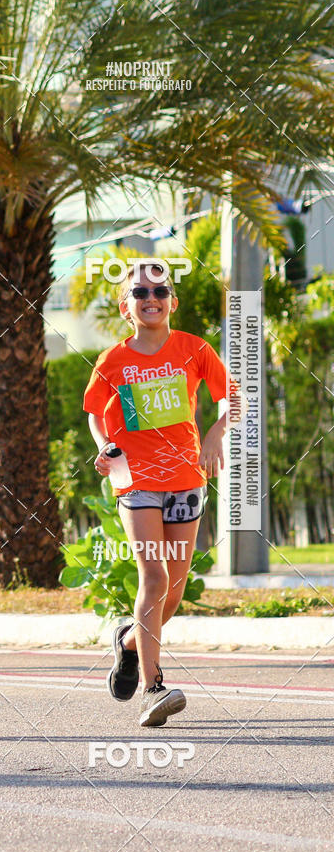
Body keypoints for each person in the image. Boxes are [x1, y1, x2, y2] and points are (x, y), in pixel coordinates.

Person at [83, 261, 241, 727]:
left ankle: (129, 642)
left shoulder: (194, 349)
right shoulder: (113, 360)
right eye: (139, 292)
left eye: (159, 290)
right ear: (125, 306)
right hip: (135, 479)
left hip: (187, 477)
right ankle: (154, 688)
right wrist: (103, 447)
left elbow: (231, 396)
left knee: (172, 591)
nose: (150, 298)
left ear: (173, 301)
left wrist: (215, 433)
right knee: (152, 577)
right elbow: (94, 412)